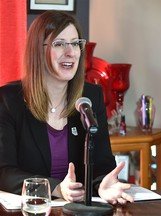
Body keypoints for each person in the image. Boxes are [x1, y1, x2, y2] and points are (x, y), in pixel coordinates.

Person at [0, 10, 133, 205]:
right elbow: (4, 172)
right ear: (38, 50)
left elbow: (102, 165)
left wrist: (102, 185)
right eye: (59, 44)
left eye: (75, 43)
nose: (70, 52)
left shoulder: (91, 96)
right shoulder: (8, 99)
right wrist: (55, 188)